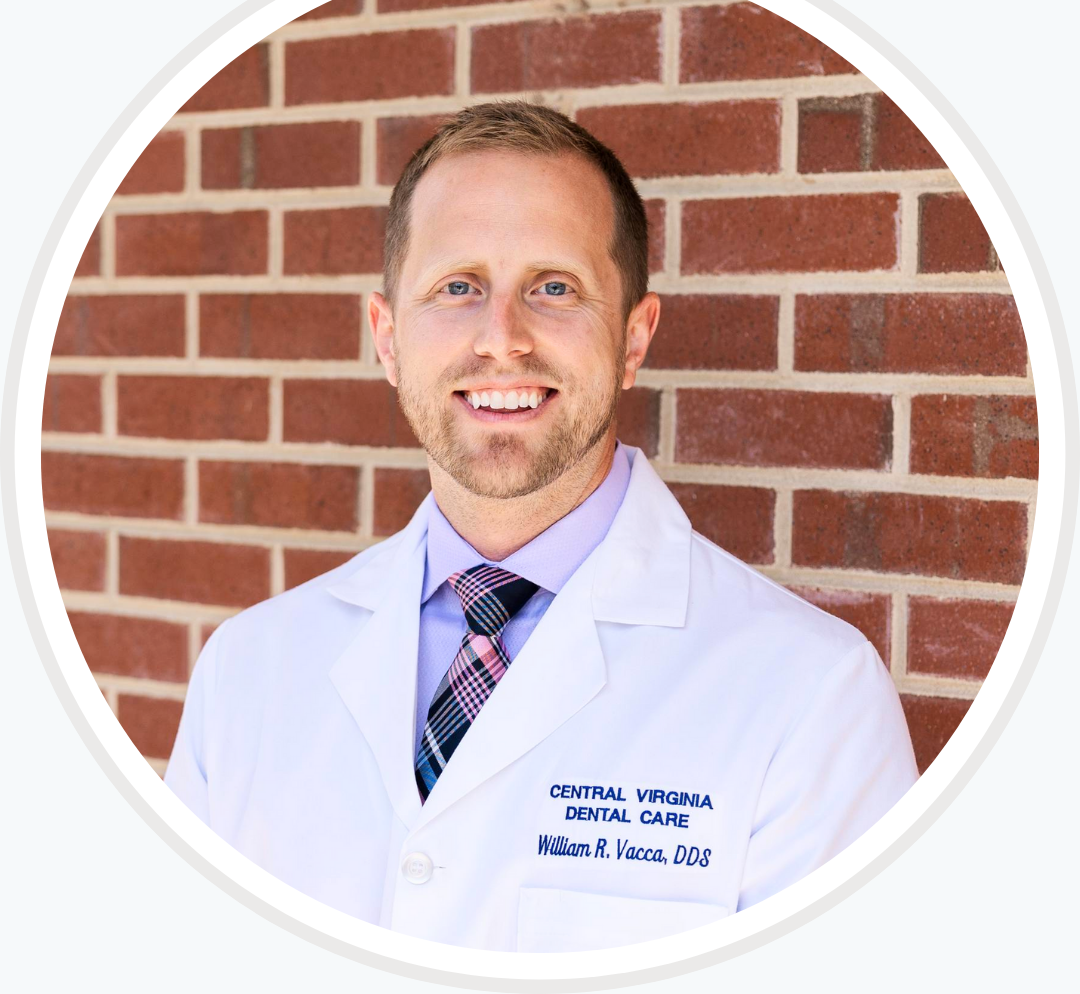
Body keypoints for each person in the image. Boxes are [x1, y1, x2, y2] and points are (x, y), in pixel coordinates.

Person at [165, 100, 918, 953]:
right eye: (458, 288)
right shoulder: (247, 672)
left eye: (553, 289)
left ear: (634, 338)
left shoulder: (811, 701)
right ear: (386, 337)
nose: (502, 341)